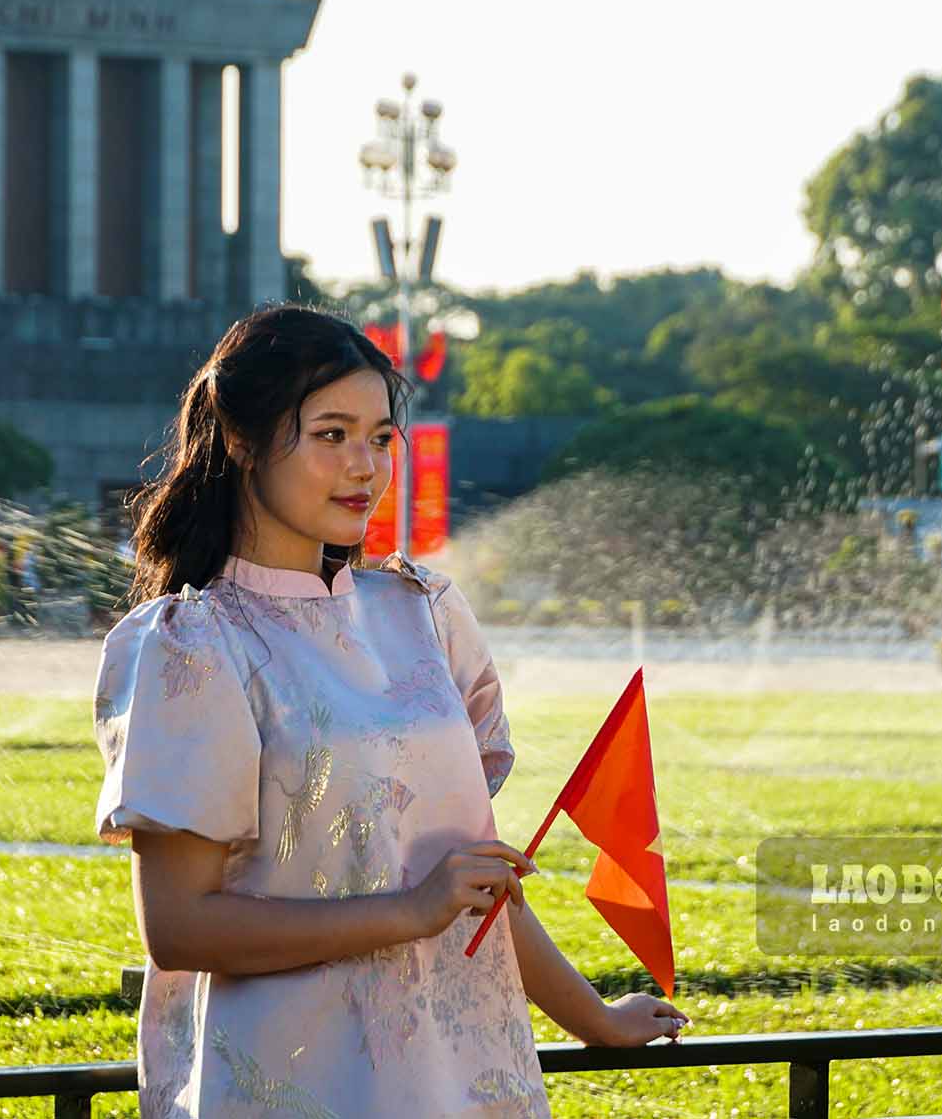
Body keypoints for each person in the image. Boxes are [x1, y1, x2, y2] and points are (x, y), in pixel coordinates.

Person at [93, 305, 687, 1117]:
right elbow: (181, 927)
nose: (364, 467)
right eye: (330, 434)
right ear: (240, 439)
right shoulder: (193, 646)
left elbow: (473, 879)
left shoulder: (425, 612)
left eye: (380, 437)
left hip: (469, 1075)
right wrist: (408, 912)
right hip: (297, 1080)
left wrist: (594, 1018)